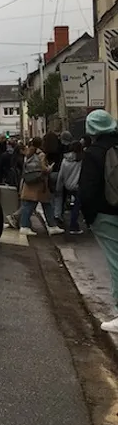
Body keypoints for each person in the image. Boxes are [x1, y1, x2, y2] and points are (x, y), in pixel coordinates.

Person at [80, 111, 118, 331]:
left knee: (115, 262)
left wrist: (90, 217)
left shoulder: (94, 152)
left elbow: (88, 190)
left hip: (105, 213)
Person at [18, 137, 60, 235]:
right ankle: (25, 226)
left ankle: (51, 225)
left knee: (34, 204)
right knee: (34, 205)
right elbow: (43, 168)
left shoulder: (28, 153)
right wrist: (49, 168)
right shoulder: (41, 154)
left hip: (30, 182)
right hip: (40, 184)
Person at [55, 141, 83, 235]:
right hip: (78, 185)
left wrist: (58, 186)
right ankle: (74, 225)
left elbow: (61, 174)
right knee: (77, 206)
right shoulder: (81, 159)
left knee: (66, 202)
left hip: (67, 185)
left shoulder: (65, 159)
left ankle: (59, 217)